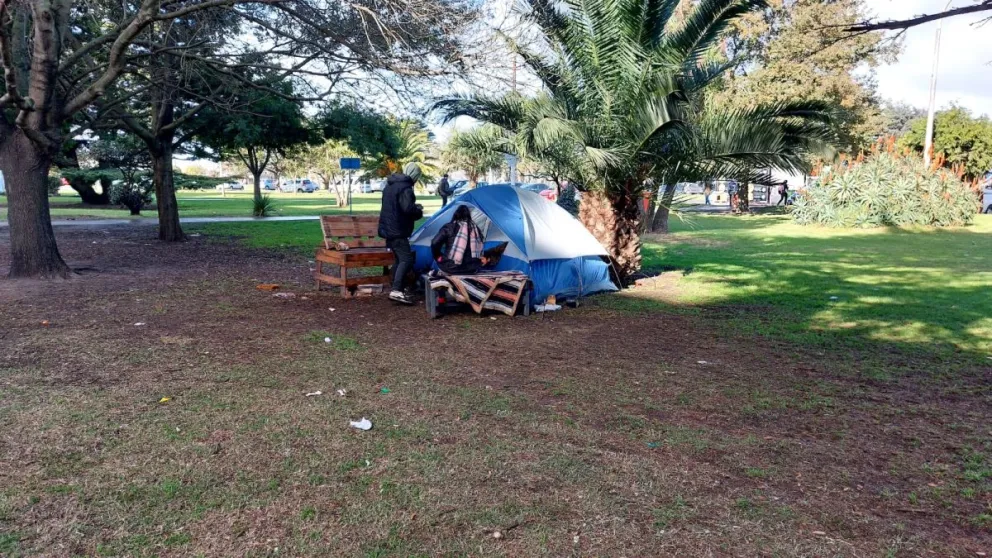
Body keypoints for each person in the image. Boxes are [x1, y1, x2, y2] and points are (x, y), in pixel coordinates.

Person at [378, 162, 424, 304]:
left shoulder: (389, 186)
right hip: (398, 231)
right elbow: (407, 209)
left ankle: (397, 288)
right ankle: (396, 290)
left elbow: (394, 207)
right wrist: (418, 210)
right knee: (407, 259)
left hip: (387, 229)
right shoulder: (406, 189)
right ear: (415, 176)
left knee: (399, 260)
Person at [430, 205, 489, 275]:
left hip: (450, 267)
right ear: (469, 216)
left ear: (455, 215)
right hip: (471, 269)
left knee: (437, 262)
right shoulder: (475, 229)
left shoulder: (449, 227)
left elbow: (434, 242)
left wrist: (438, 256)